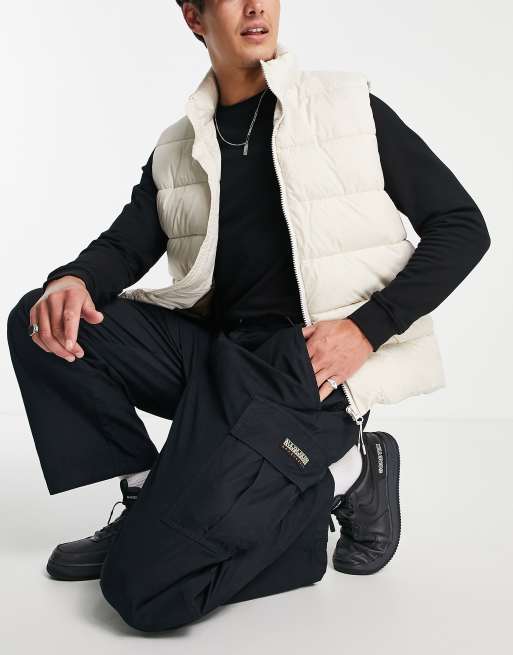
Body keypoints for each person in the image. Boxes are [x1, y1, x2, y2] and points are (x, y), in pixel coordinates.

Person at [7, 0, 490, 632]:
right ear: (195, 18)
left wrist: (366, 330)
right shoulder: (179, 145)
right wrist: (72, 280)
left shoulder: (346, 108)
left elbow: (461, 226)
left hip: (301, 370)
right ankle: (145, 497)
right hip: (215, 355)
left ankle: (345, 473)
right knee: (42, 318)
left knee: (145, 591)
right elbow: (125, 246)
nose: (257, 6)